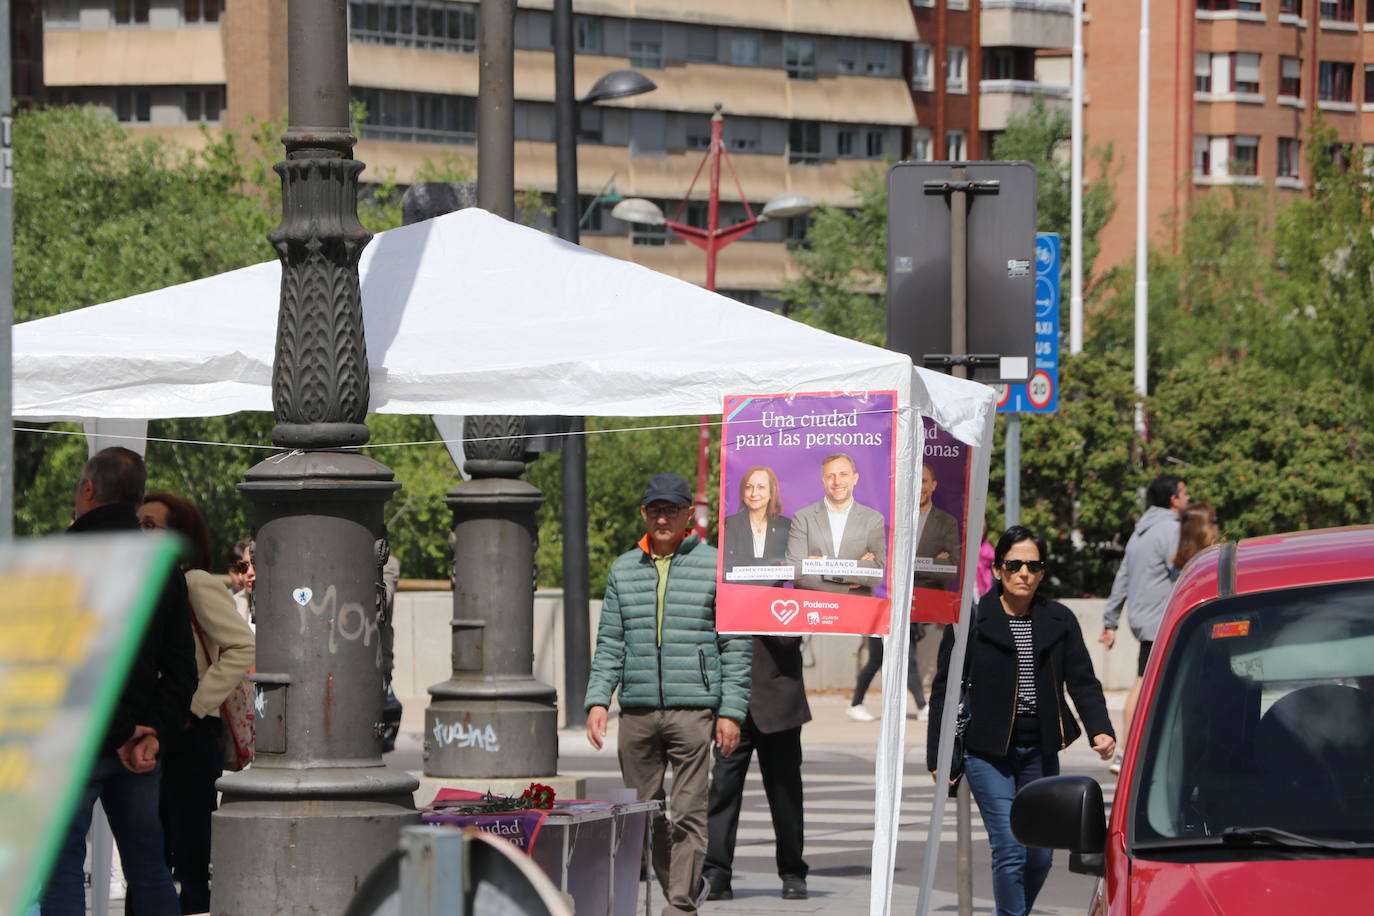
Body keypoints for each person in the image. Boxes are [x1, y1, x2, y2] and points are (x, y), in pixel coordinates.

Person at [584, 472, 752, 916]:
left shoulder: (715, 565)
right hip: (637, 712)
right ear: (644, 513)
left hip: (693, 710)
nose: (662, 517)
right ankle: (680, 885)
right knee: (644, 816)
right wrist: (599, 699)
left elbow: (734, 644)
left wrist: (730, 711)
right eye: (655, 509)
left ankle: (679, 904)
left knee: (690, 811)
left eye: (671, 510)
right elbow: (610, 642)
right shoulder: (623, 568)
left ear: (687, 517)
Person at [928, 525, 1115, 916]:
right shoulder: (972, 623)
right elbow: (944, 690)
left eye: (1033, 565)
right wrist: (939, 755)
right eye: (1014, 565)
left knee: (1040, 858)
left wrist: (1100, 729)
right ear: (997, 569)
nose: (1023, 573)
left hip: (1041, 752)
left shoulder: (1059, 620)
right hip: (987, 753)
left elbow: (1082, 680)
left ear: (1042, 573)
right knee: (1010, 850)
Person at [43, 448, 197, 916]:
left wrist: (122, 731)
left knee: (62, 863)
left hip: (75, 739)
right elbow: (181, 667)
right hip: (139, 746)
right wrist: (150, 732)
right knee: (148, 865)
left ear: (88, 489)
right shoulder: (161, 564)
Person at [137, 492, 256, 915]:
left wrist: (194, 707)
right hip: (147, 732)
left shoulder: (194, 583)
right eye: (139, 523)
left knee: (188, 859)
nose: (139, 532)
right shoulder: (139, 584)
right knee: (148, 855)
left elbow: (241, 646)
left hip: (188, 735)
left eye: (151, 525)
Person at [701, 635, 811, 901]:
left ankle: (793, 871)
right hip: (730, 705)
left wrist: (760, 611)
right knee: (722, 790)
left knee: (785, 794)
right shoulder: (724, 591)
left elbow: (792, 634)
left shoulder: (787, 591)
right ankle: (716, 872)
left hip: (779, 700)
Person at [1100, 474, 1187, 773]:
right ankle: (1127, 751)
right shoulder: (1172, 530)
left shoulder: (1140, 533)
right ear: (1174, 499)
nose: (1187, 499)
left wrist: (1111, 619)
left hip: (1143, 618)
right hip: (1161, 619)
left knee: (1143, 680)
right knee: (1144, 682)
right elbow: (1181, 570)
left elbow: (1122, 576)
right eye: (1184, 493)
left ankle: (1129, 750)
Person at [785, 453, 887, 596]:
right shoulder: (802, 518)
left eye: (843, 474)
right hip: (812, 606)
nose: (837, 482)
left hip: (858, 608)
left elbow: (876, 573)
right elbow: (794, 570)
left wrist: (824, 563)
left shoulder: (873, 519)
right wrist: (851, 573)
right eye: (830, 476)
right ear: (823, 482)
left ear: (855, 478)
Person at [721, 466, 791, 587]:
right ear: (743, 492)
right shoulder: (729, 524)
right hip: (738, 598)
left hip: (775, 601)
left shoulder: (786, 526)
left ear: (771, 492)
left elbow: (792, 570)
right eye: (748, 487)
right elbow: (725, 569)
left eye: (761, 487)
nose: (754, 493)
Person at [913, 464, 960, 592]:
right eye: (914, 481)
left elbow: (951, 569)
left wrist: (911, 568)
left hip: (931, 598)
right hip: (896, 598)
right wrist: (933, 564)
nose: (918, 487)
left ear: (933, 485)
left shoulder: (947, 523)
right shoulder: (895, 519)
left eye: (923, 481)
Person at [1170, 502, 1219, 579]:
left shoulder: (1178, 567)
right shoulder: (1213, 565)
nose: (1217, 526)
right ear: (1203, 530)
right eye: (1215, 521)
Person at [226, 538, 255, 626]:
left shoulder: (295, 605)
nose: (249, 573)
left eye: (256, 564)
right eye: (244, 566)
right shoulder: (230, 606)